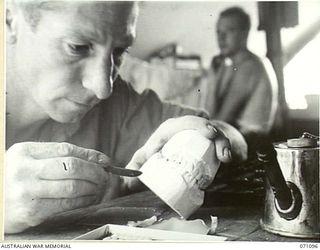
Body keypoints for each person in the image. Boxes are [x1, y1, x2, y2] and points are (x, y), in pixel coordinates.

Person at [5, 1, 248, 234]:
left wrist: (196, 142)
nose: (103, 87)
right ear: (9, 18)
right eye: (77, 46)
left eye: (119, 51)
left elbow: (230, 137)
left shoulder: (117, 100)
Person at [209, 7, 279, 155]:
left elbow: (221, 119)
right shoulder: (233, 65)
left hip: (251, 146)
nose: (221, 38)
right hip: (240, 141)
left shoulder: (249, 66)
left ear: (245, 33)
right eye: (218, 32)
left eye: (230, 30)